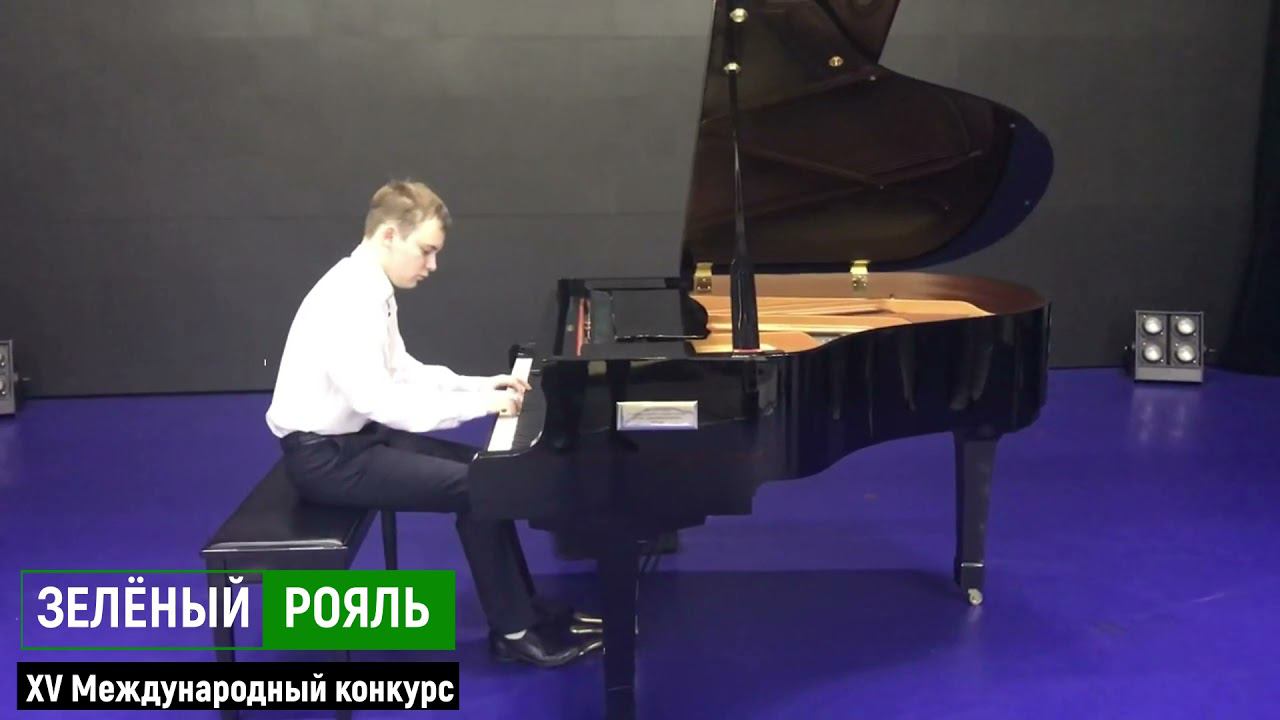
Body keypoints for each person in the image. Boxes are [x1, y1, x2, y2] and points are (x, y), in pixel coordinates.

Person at [265, 179, 600, 667]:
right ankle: (515, 631)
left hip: (356, 442)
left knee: (491, 472)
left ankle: (526, 610)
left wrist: (477, 385)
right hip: (325, 461)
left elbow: (403, 369)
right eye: (426, 251)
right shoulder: (348, 300)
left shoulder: (369, 286)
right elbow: (380, 400)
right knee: (480, 486)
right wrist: (479, 406)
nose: (433, 265)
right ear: (388, 235)